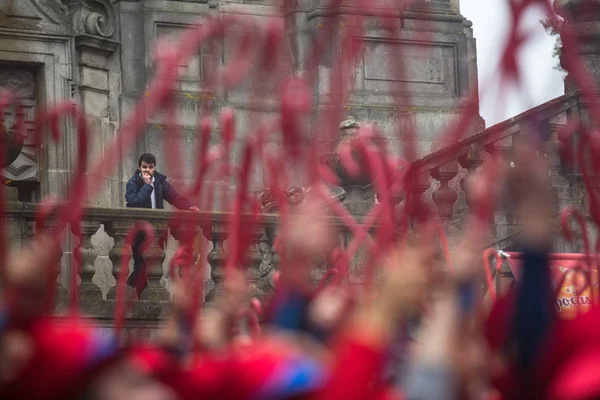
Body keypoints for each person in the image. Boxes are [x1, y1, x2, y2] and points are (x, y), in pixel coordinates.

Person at [125, 153, 200, 297]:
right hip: (140, 232)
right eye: (144, 167)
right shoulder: (133, 183)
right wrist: (146, 186)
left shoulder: (159, 182)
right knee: (141, 265)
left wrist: (189, 206)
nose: (147, 170)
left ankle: (143, 296)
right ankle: (131, 288)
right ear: (139, 167)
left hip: (156, 231)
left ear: (154, 168)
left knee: (153, 263)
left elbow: (174, 197)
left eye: (150, 167)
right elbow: (135, 202)